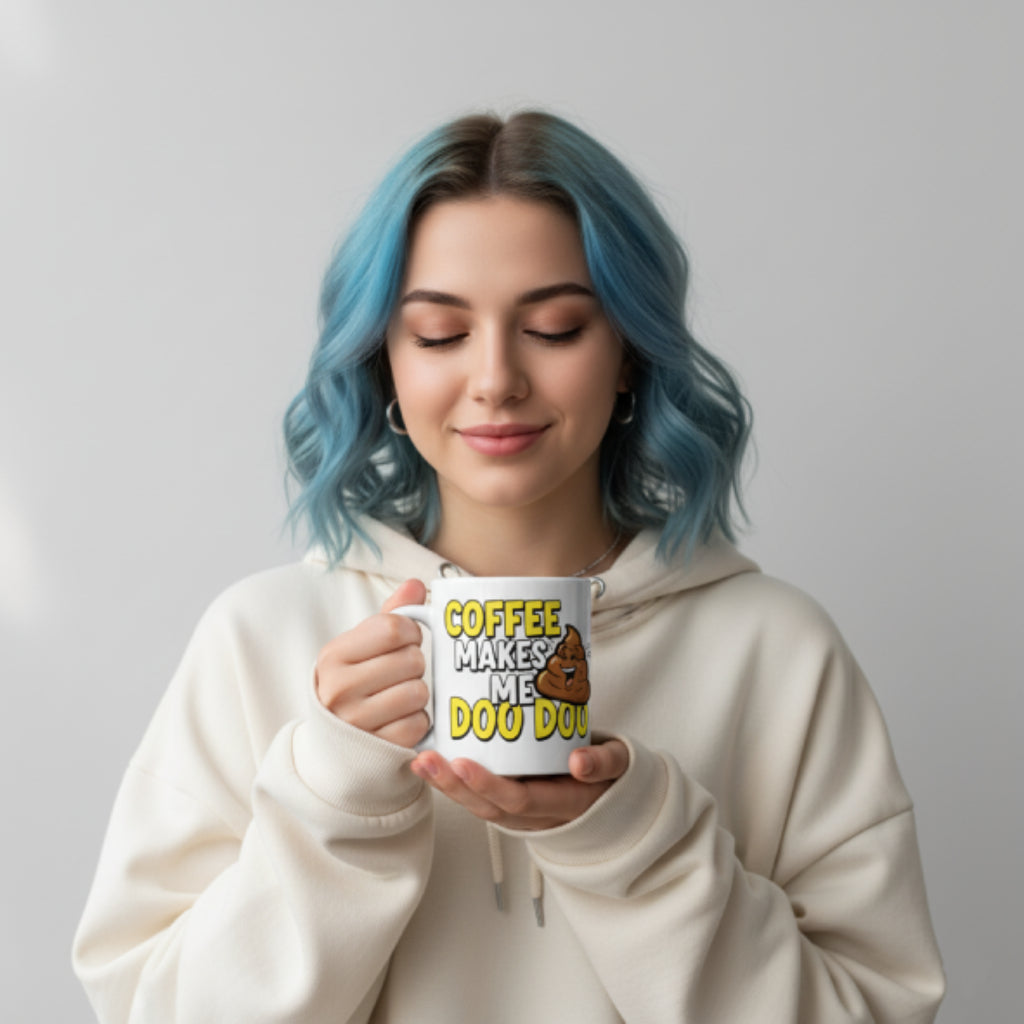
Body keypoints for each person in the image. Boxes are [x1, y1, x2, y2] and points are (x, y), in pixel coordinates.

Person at [72, 111, 945, 1022]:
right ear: (385, 371)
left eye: (557, 328)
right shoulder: (260, 640)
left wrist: (632, 837)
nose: (495, 379)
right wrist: (329, 801)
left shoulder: (777, 651)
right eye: (441, 335)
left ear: (628, 358)